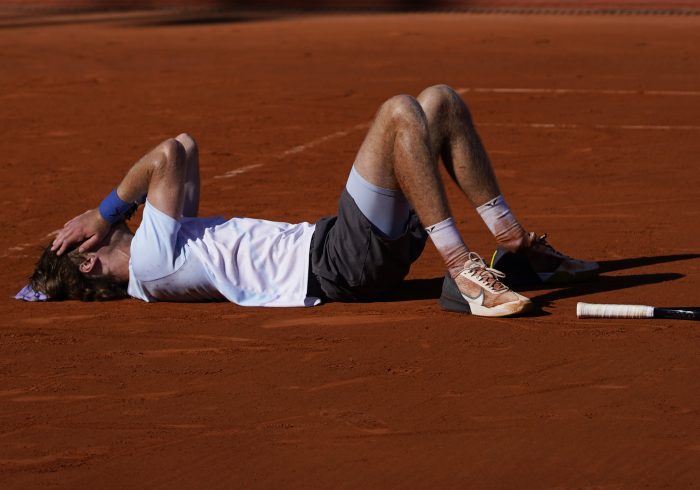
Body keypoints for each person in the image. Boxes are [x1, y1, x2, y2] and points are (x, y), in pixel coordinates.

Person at [20, 84, 598, 317]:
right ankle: (462, 273)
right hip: (336, 263)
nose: (82, 227)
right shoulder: (149, 261)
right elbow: (166, 157)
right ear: (89, 259)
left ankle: (514, 247)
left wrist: (107, 215)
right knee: (400, 112)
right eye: (75, 240)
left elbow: (186, 146)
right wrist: (104, 212)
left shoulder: (163, 245)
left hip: (339, 248)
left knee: (438, 103)